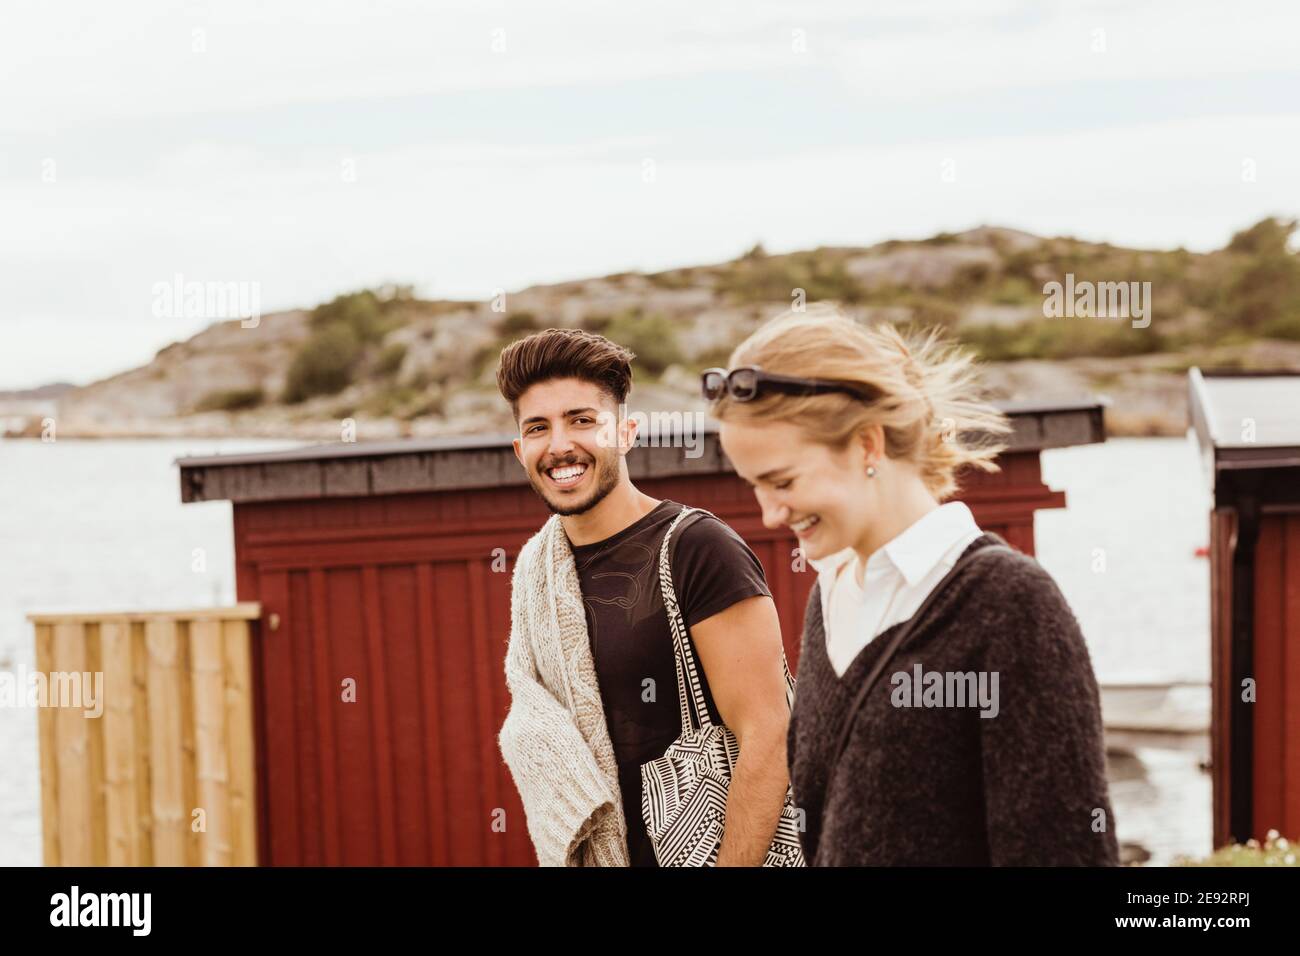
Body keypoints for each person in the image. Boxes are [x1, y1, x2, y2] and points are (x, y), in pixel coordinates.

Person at [705, 305, 1119, 866]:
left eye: (782, 481)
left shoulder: (1011, 606)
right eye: (754, 486)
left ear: (868, 445)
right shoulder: (831, 596)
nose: (770, 514)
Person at [495, 327, 793, 866]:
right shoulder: (537, 574)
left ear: (626, 433)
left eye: (583, 420)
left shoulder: (697, 548)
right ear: (521, 451)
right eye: (538, 428)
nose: (560, 445)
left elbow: (771, 734)